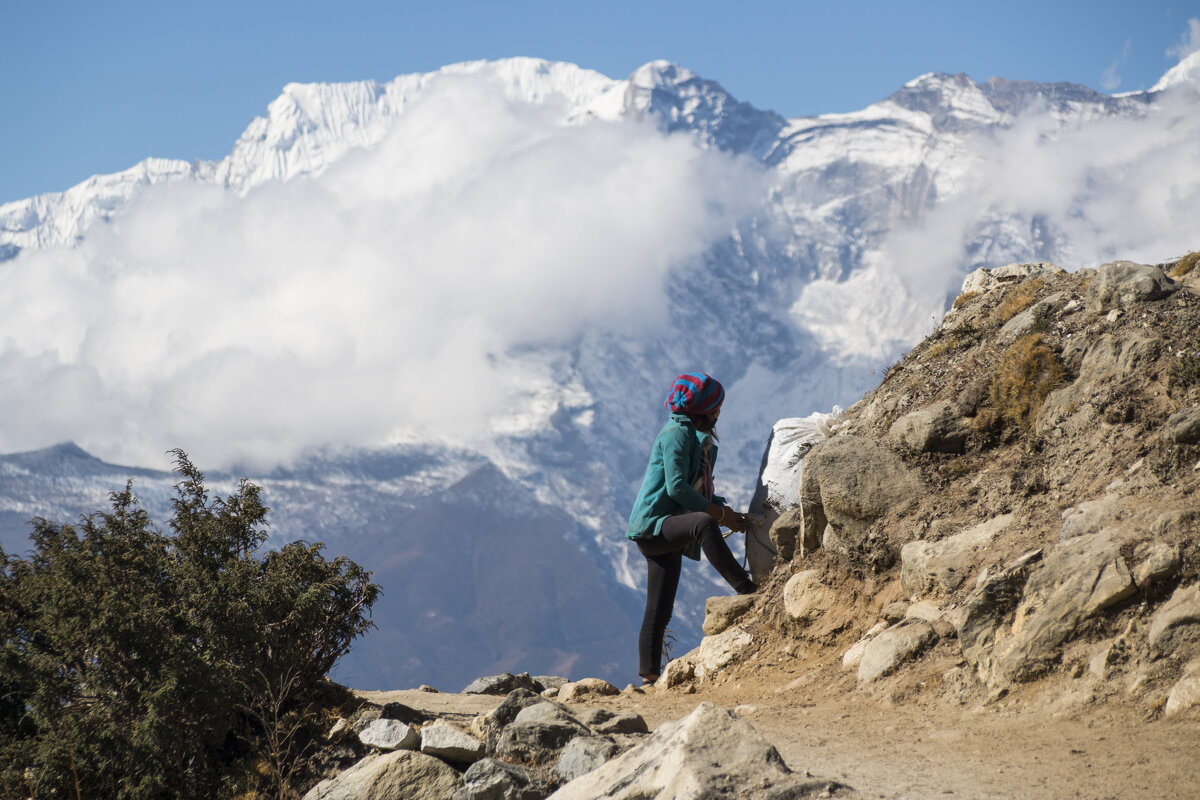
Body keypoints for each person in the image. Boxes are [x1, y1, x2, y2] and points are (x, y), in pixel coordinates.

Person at [625, 372, 757, 685]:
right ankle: (746, 588)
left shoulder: (690, 437)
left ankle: (649, 678)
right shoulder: (676, 435)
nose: (718, 414)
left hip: (663, 527)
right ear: (703, 410)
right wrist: (720, 515)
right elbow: (678, 490)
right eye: (716, 408)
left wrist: (728, 512)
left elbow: (698, 491)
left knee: (659, 608)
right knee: (703, 523)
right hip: (654, 526)